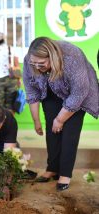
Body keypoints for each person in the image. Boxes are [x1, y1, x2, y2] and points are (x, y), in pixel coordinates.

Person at [23, 37, 99, 191]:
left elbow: (79, 93)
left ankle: (65, 174)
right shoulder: (29, 60)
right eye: (33, 63)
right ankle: (52, 169)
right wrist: (36, 121)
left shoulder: (72, 56)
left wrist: (60, 119)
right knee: (52, 131)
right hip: (51, 90)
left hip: (77, 94)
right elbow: (31, 91)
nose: (36, 67)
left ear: (51, 57)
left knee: (69, 133)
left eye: (41, 63)